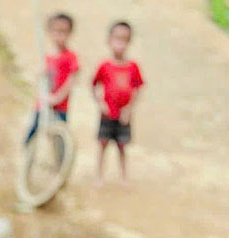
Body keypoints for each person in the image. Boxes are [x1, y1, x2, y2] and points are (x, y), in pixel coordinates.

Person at [92, 20, 145, 182]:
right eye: (117, 39)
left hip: (123, 116)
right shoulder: (104, 66)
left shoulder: (133, 66)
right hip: (107, 115)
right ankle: (99, 176)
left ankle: (124, 177)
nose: (120, 44)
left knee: (122, 146)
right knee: (103, 145)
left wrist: (129, 109)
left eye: (124, 40)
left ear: (129, 42)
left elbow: (137, 88)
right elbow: (94, 85)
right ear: (109, 40)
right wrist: (101, 104)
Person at [25, 12, 79, 143]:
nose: (60, 34)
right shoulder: (46, 57)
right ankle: (30, 160)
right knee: (33, 135)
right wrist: (40, 74)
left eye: (64, 31)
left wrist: (57, 98)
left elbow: (72, 80)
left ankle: (59, 163)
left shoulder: (71, 57)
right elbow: (39, 80)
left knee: (59, 140)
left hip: (60, 107)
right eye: (56, 30)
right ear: (49, 31)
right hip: (43, 105)